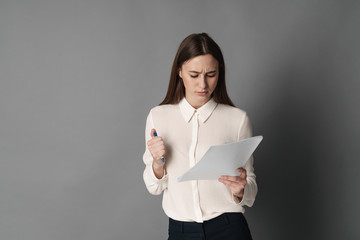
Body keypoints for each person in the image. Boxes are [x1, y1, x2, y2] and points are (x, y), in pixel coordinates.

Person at [142, 33, 257, 240]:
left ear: (219, 73)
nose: (203, 85)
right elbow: (153, 188)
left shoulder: (237, 119)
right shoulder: (158, 117)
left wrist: (241, 190)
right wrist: (158, 166)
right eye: (194, 75)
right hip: (181, 231)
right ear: (179, 72)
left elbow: (250, 189)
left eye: (211, 74)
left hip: (229, 228)